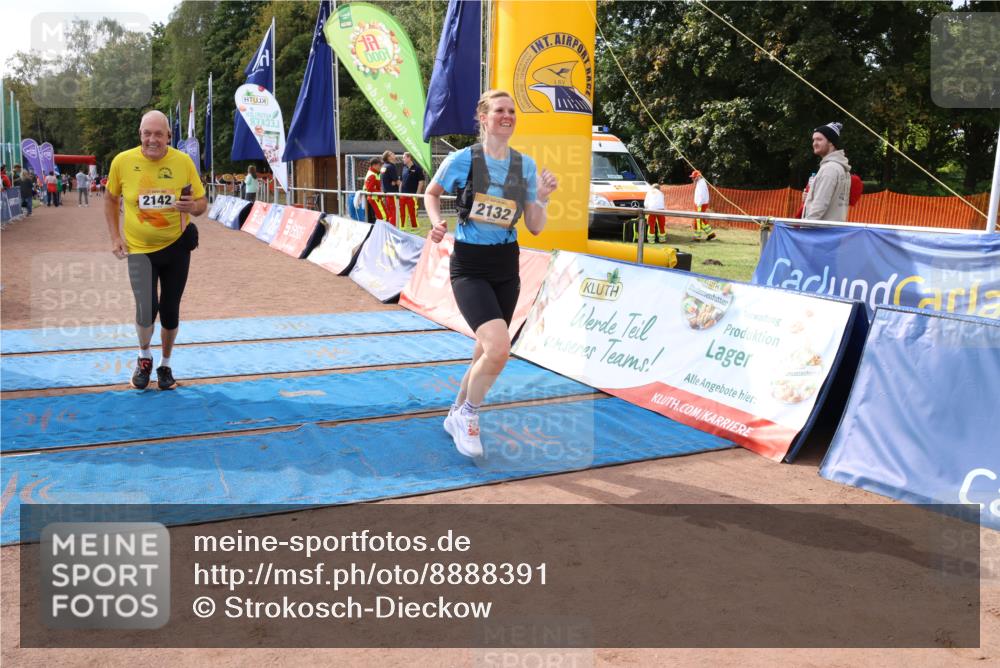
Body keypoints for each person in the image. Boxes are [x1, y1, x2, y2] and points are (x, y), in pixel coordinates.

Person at [425, 89, 558, 458]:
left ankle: (455, 411)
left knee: (484, 350)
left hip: (506, 264)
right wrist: (437, 223)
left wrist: (543, 197)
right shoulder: (462, 160)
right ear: (482, 117)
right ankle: (469, 415)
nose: (508, 116)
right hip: (469, 265)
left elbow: (534, 226)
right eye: (500, 110)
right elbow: (431, 195)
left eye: (512, 111)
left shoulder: (525, 165)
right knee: (499, 349)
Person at [104, 109, 207, 391]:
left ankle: (165, 364)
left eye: (158, 134)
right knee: (146, 309)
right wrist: (115, 236)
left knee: (170, 310)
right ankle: (144, 357)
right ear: (140, 135)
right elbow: (111, 200)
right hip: (139, 250)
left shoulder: (183, 162)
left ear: (168, 136)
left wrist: (192, 208)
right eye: (147, 133)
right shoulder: (122, 162)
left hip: (176, 248)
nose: (152, 139)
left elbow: (201, 203)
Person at [802, 121, 851, 222]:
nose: (815, 143)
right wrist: (809, 199)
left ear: (831, 142)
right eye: (813, 140)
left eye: (819, 139)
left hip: (819, 233)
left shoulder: (830, 169)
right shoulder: (841, 168)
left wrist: (805, 228)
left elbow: (819, 206)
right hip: (832, 232)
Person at [399, 152, 425, 229]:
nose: (402, 159)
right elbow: (401, 182)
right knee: (402, 214)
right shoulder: (403, 168)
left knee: (412, 214)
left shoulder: (417, 168)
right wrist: (400, 193)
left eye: (404, 157)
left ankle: (415, 229)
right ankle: (402, 229)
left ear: (409, 158)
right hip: (403, 196)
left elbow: (421, 182)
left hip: (412, 196)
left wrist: (417, 195)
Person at [690, 170, 715, 241]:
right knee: (701, 219)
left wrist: (699, 204)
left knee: (697, 219)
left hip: (700, 204)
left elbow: (701, 195)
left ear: (698, 176)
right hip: (700, 203)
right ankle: (710, 233)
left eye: (694, 177)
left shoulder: (701, 184)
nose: (692, 179)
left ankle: (697, 237)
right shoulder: (700, 182)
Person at [380, 150, 400, 226]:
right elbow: (397, 181)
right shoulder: (391, 166)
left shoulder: (383, 166)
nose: (394, 154)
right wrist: (398, 183)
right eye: (392, 154)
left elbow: (386, 180)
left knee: (390, 213)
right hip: (392, 193)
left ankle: (390, 228)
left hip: (386, 193)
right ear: (388, 157)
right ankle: (393, 230)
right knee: (394, 213)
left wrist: (394, 182)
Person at [363, 156, 386, 223]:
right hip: (374, 198)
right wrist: (381, 192)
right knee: (383, 217)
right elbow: (369, 188)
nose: (381, 167)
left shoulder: (375, 173)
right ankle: (381, 232)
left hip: (374, 198)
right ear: (374, 165)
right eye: (379, 165)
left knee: (374, 218)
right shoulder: (372, 175)